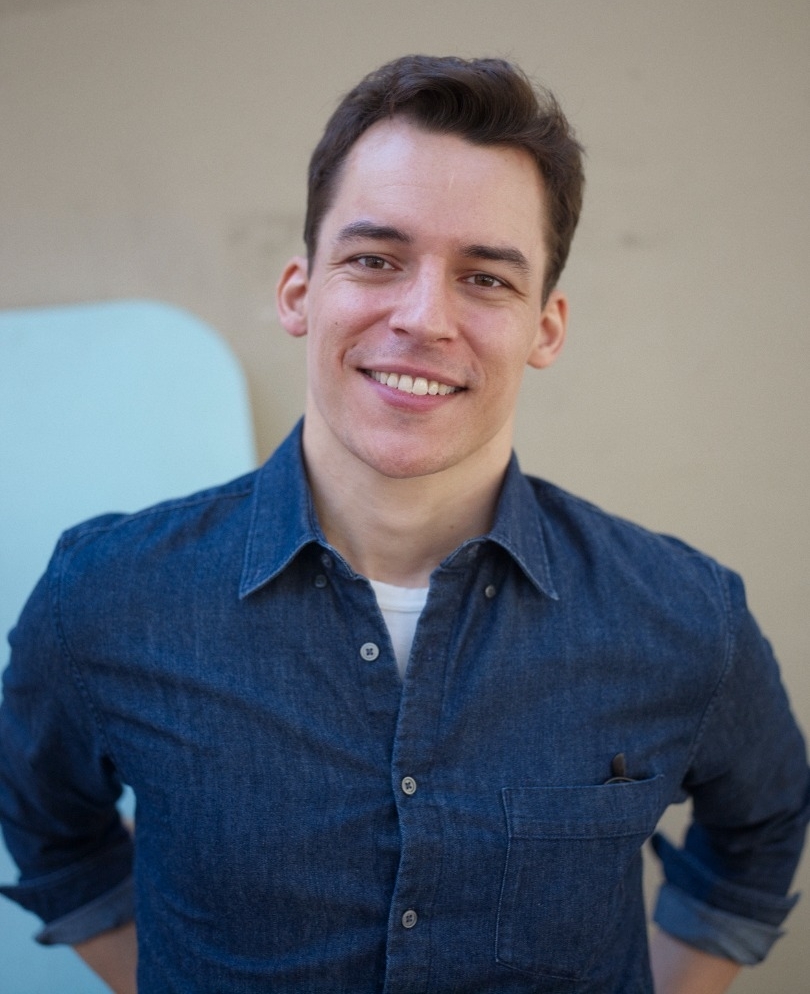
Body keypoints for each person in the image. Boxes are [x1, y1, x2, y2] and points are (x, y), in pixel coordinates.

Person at [1, 55, 808, 994]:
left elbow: (761, 831)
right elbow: (53, 834)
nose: (423, 318)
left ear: (546, 327)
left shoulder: (685, 616)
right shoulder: (106, 596)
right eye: (376, 260)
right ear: (300, 291)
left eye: (486, 278)